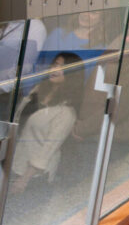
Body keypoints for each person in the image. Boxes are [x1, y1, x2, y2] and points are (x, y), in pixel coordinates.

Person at [9, 52, 83, 194]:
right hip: (14, 163)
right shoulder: (39, 89)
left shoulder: (66, 113)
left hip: (32, 178)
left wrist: (23, 181)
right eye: (55, 64)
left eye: (62, 67)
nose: (55, 69)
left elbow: (48, 150)